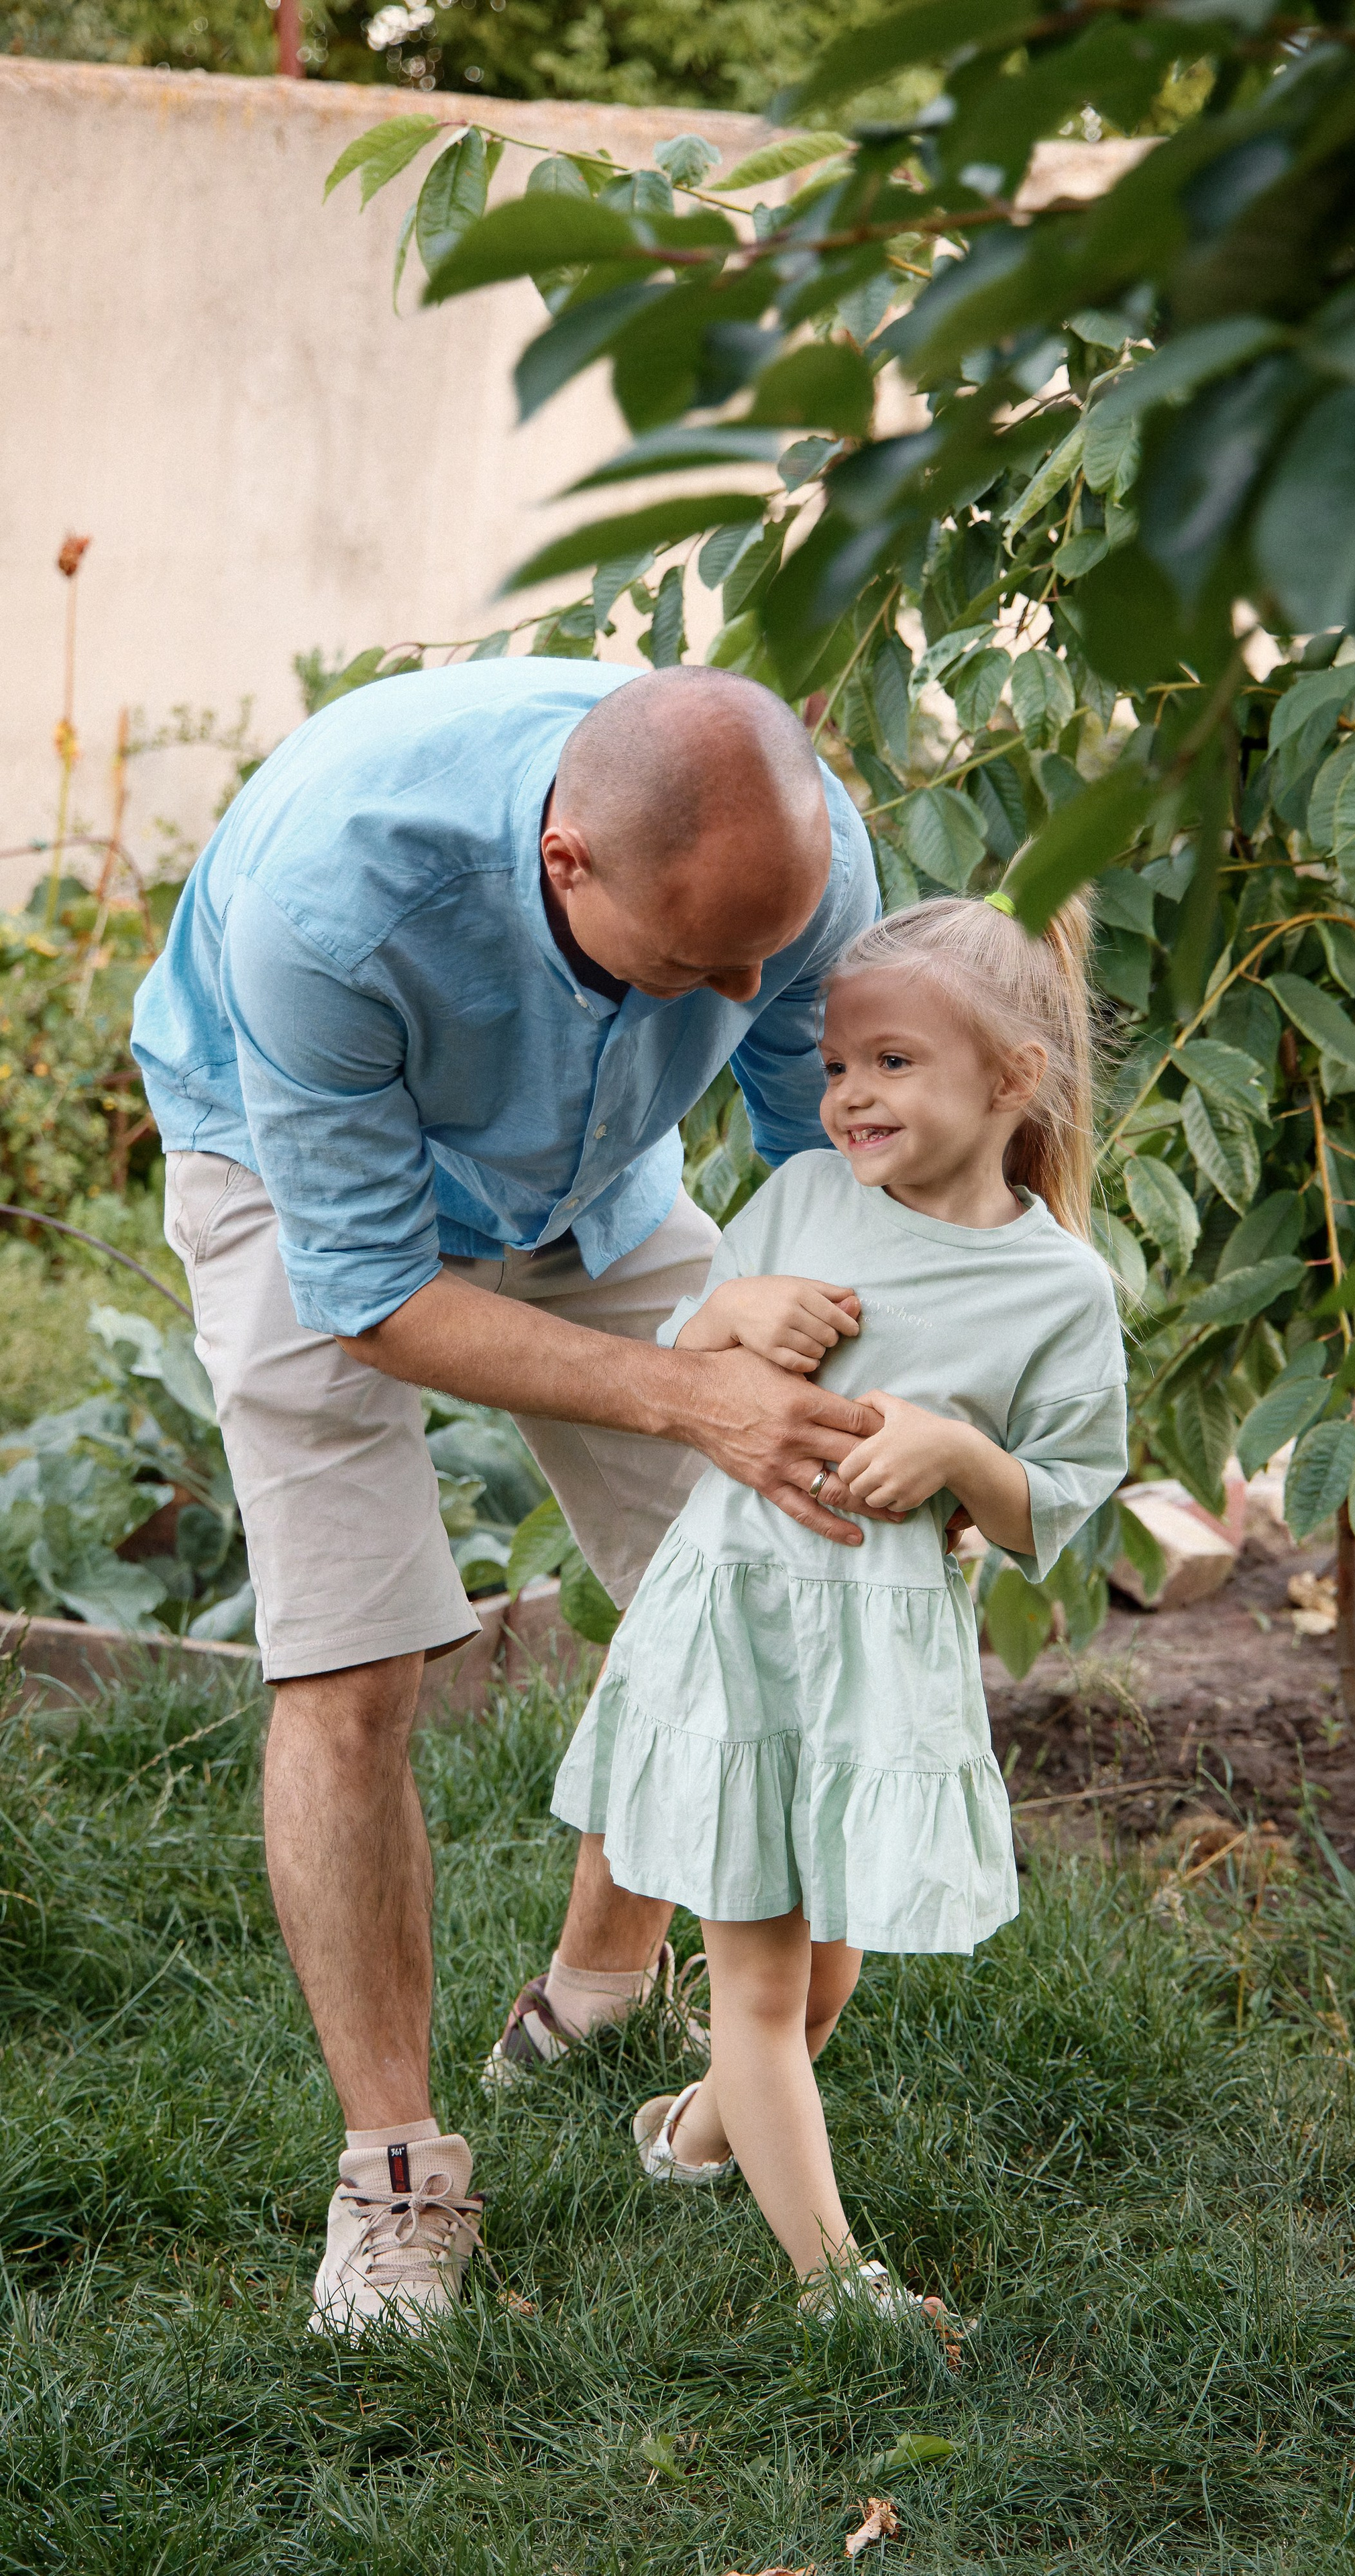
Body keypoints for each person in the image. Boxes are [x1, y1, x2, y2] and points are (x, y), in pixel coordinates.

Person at [130, 654, 885, 2334]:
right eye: (707, 962)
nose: (756, 984)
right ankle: (394, 2179)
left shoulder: (790, 864)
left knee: (746, 1565)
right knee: (352, 1663)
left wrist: (878, 1385)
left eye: (774, 943)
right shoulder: (335, 907)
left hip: (595, 1171)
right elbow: (378, 1294)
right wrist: (693, 1393)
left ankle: (594, 1990)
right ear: (570, 867)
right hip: (295, 1171)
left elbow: (820, 1161)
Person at [551, 894, 1128, 2316]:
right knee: (754, 1987)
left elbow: (1056, 1499)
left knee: (819, 1984)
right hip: (742, 1621)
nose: (848, 1095)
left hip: (876, 1657)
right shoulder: (805, 1198)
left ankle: (692, 2131)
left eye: (891, 1065)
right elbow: (692, 1358)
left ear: (1009, 1082)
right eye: (837, 1064)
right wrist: (732, 1322)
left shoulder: (1055, 1287)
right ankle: (835, 2286)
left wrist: (958, 1455)